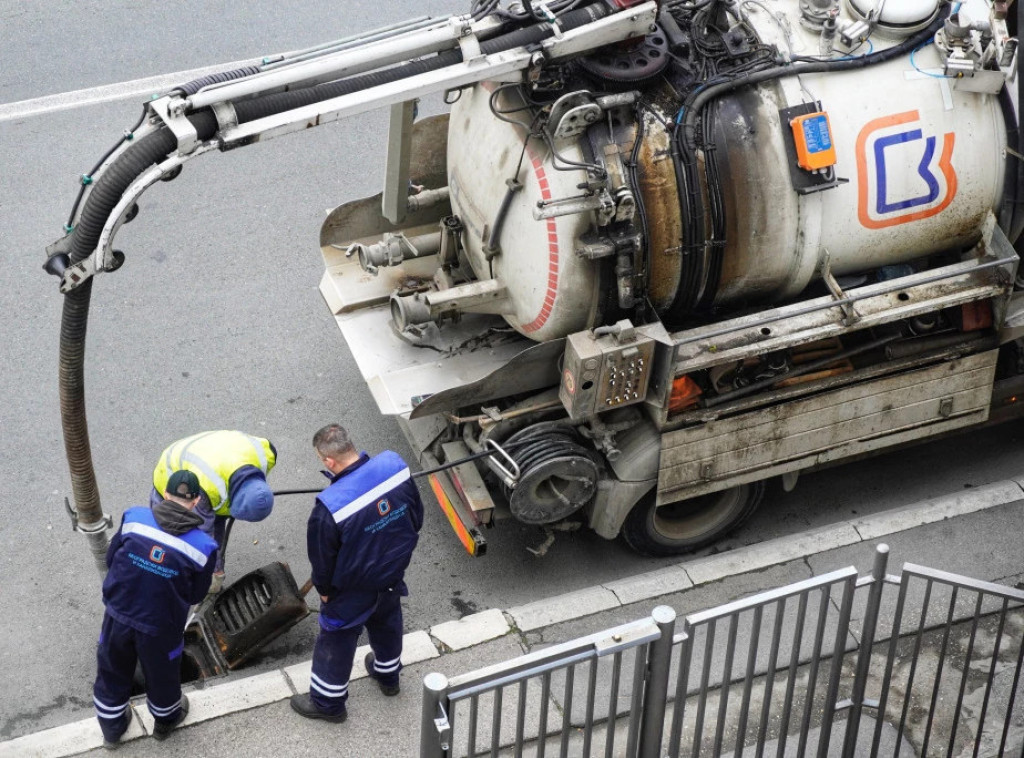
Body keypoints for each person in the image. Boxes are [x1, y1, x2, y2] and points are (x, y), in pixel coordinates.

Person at [290, 424, 423, 723]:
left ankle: (328, 704)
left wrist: (324, 588)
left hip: (351, 589)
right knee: (388, 622)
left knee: (336, 638)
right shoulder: (394, 467)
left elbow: (322, 558)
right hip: (391, 574)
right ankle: (388, 677)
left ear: (328, 461)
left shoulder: (329, 507)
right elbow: (417, 517)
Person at [93, 470, 218, 749]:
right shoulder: (204, 547)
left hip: (119, 615)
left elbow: (111, 558)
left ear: (164, 494)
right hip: (161, 625)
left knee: (112, 669)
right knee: (162, 673)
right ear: (197, 501)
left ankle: (112, 731)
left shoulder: (135, 518)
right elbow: (197, 593)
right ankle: (165, 721)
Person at [151, 430, 277, 592]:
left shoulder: (267, 454)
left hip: (211, 458)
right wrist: (214, 571)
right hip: (173, 470)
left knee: (214, 521)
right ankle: (160, 572)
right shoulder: (205, 486)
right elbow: (202, 537)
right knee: (170, 534)